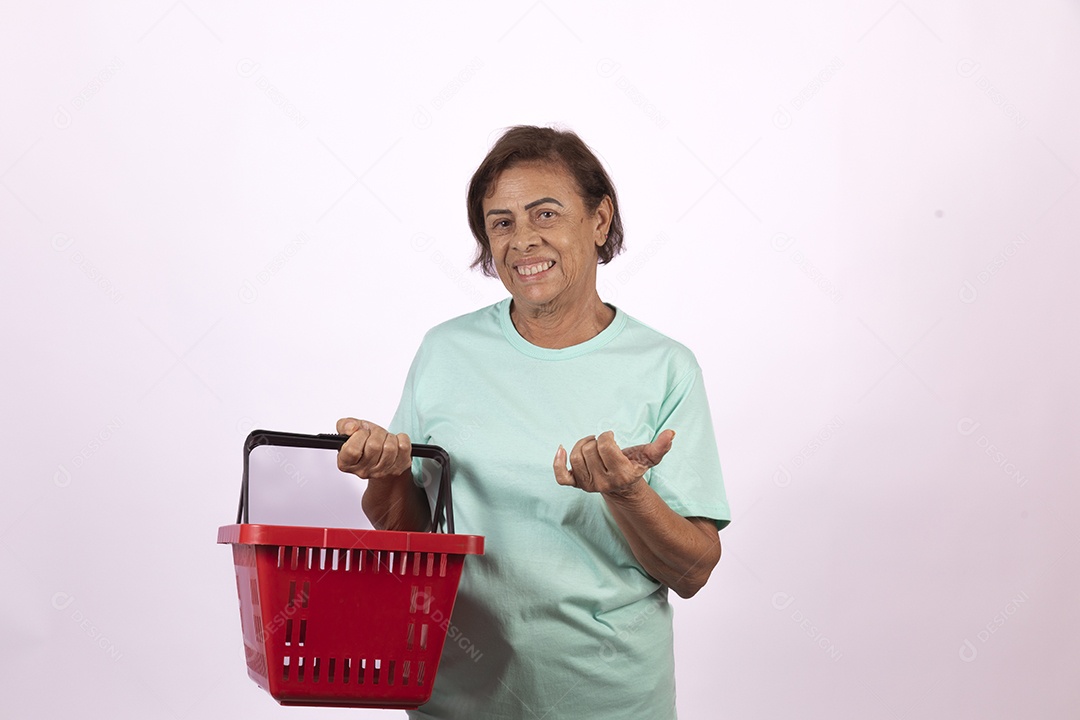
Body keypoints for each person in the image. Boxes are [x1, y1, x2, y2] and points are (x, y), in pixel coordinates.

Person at [337, 125, 730, 720]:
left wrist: (627, 493)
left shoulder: (664, 368)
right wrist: (386, 475)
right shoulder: (445, 352)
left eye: (544, 213)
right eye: (501, 222)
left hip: (609, 701)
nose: (522, 240)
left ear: (599, 221)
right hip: (454, 700)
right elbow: (409, 535)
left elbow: (694, 569)